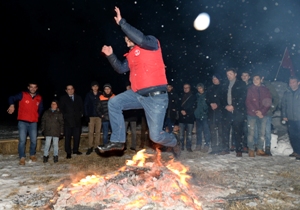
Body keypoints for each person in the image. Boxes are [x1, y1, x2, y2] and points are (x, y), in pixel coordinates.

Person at [99, 6, 180, 158]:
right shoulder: (130, 55)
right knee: (114, 102)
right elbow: (121, 69)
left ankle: (174, 140)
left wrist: (122, 23)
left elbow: (140, 38)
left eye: (129, 36)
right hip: (138, 95)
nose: (127, 38)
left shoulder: (151, 43)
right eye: (125, 38)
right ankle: (118, 141)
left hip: (156, 97)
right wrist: (111, 55)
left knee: (155, 137)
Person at [7, 82, 43, 165]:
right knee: (22, 140)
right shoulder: (23, 94)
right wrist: (12, 105)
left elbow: (41, 108)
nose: (33, 89)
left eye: (34, 87)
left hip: (33, 123)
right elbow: (11, 98)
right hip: (22, 122)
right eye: (31, 87)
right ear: (28, 87)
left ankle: (32, 154)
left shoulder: (39, 97)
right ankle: (22, 157)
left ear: (36, 88)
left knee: (34, 140)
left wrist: (37, 116)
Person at [220, 68, 247, 157]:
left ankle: (239, 149)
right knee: (225, 130)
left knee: (238, 131)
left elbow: (243, 97)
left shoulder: (241, 84)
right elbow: (222, 97)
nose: (229, 76)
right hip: (226, 111)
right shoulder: (225, 84)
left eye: (230, 74)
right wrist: (226, 106)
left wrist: (234, 106)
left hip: (237, 111)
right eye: (227, 74)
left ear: (235, 74)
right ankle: (225, 148)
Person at [246, 74, 272, 157]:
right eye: (254, 79)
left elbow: (268, 102)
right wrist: (255, 111)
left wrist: (262, 112)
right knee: (251, 133)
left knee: (262, 133)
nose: (255, 81)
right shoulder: (250, 89)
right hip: (251, 114)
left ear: (261, 80)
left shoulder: (265, 90)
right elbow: (248, 101)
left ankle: (260, 149)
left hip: (262, 115)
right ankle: (251, 149)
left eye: (257, 79)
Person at [59, 85, 83, 159]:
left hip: (77, 121)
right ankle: (68, 152)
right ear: (66, 91)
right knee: (68, 138)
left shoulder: (78, 98)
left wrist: (81, 115)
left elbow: (82, 108)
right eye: (68, 89)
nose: (70, 90)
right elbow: (61, 109)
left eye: (71, 89)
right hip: (67, 121)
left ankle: (75, 150)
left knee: (77, 137)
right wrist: (65, 116)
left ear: (74, 89)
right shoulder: (63, 98)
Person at [281, 76, 300, 161]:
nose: (291, 84)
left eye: (293, 82)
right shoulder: (287, 93)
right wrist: (284, 115)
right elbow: (283, 105)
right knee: (293, 136)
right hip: (290, 118)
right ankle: (296, 151)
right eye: (290, 82)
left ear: (298, 83)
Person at [260, 76, 279, 155]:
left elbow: (276, 97)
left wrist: (271, 108)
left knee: (267, 131)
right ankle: (258, 147)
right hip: (257, 112)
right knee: (258, 131)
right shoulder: (254, 86)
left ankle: (268, 147)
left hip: (267, 112)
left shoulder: (268, 85)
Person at [206, 74, 223, 154]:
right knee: (212, 132)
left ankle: (221, 148)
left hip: (220, 113)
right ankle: (214, 148)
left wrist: (218, 104)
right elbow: (207, 98)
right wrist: (210, 103)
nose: (214, 80)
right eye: (213, 79)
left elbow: (224, 99)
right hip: (212, 113)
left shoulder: (223, 88)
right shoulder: (210, 88)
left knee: (220, 132)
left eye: (216, 79)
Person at [84, 81, 102, 155]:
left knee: (98, 132)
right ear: (91, 87)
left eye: (96, 86)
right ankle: (90, 147)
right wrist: (86, 115)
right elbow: (85, 105)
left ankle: (96, 147)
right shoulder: (88, 95)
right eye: (94, 86)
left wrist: (102, 114)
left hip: (99, 116)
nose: (95, 87)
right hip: (91, 116)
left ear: (98, 87)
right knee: (91, 132)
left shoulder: (101, 94)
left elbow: (103, 104)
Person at [178, 83, 196, 152]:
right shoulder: (181, 96)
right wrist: (181, 110)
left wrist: (187, 112)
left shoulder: (193, 96)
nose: (185, 89)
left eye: (187, 87)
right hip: (181, 118)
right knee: (181, 134)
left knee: (189, 134)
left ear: (189, 88)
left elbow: (194, 106)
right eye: (184, 87)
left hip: (190, 118)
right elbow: (178, 105)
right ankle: (181, 146)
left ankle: (189, 147)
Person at [194, 83, 211, 152]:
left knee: (206, 131)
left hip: (205, 116)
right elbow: (194, 105)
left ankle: (206, 145)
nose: (199, 89)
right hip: (198, 116)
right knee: (199, 131)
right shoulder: (196, 96)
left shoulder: (207, 95)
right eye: (198, 88)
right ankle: (198, 145)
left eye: (200, 88)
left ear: (203, 88)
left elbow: (208, 104)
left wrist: (206, 111)